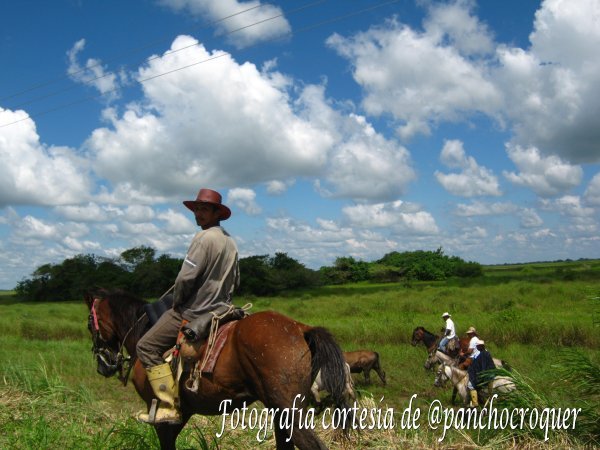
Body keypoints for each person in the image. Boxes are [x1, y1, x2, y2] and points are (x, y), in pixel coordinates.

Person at [136, 188, 240, 424]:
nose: (198, 214)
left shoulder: (202, 238)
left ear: (217, 213)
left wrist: (178, 302)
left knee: (146, 346)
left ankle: (167, 405)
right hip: (222, 309)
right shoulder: (230, 242)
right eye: (197, 209)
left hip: (194, 310)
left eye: (204, 209)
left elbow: (185, 278)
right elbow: (236, 280)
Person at [466, 340, 496, 407]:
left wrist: (472, 371)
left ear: (480, 346)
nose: (477, 347)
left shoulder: (482, 355)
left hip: (487, 376)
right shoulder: (487, 353)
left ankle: (475, 402)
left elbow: (482, 368)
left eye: (477, 346)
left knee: (470, 385)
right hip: (491, 373)